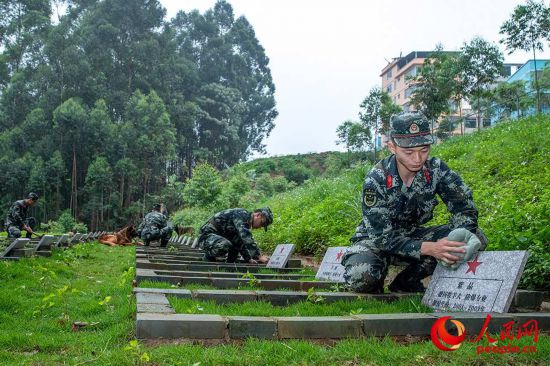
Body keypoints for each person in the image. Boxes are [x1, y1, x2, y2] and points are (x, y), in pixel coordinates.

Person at [342, 111, 487, 294]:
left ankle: (406, 281)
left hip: (412, 235)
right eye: (409, 152)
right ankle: (376, 276)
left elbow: (465, 208)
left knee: (474, 237)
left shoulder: (436, 170)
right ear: (392, 147)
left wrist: (456, 237)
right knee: (361, 277)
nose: (417, 159)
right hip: (376, 239)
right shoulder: (377, 179)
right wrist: (432, 248)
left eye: (424, 150)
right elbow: (381, 237)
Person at [198, 207, 272, 264]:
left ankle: (229, 264)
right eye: (262, 223)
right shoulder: (242, 214)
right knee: (225, 244)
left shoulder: (244, 222)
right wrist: (259, 256)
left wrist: (248, 259)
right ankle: (208, 257)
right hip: (205, 237)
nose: (260, 227)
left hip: (215, 238)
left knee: (235, 244)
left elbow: (240, 242)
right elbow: (246, 237)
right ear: (258, 215)